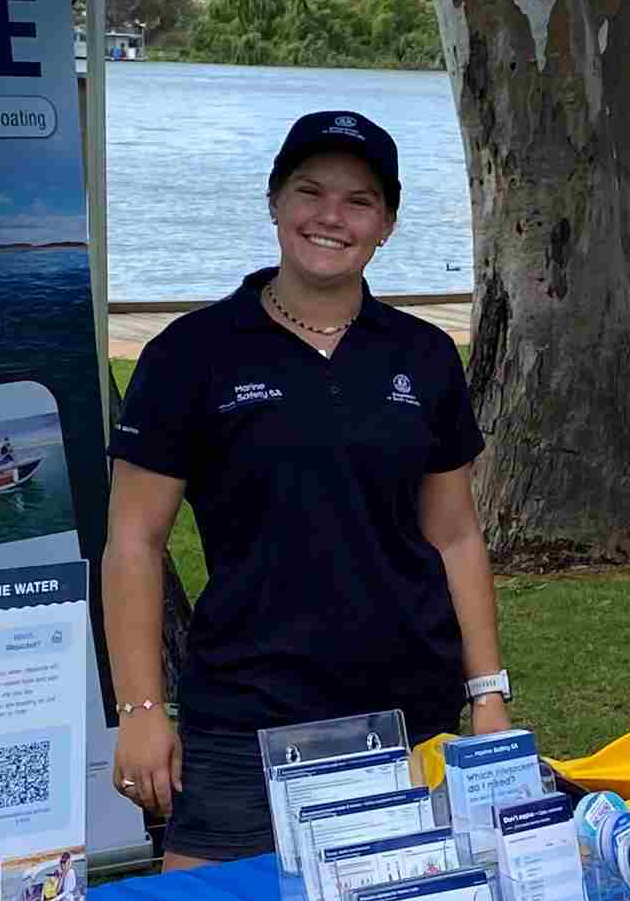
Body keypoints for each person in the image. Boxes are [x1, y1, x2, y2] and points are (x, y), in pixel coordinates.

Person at [100, 110, 511, 863]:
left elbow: (455, 535)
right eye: (309, 192)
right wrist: (142, 709)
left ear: (386, 223)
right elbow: (134, 540)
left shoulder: (422, 357)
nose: (331, 217)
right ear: (275, 202)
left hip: (408, 714)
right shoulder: (191, 354)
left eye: (358, 201)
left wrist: (488, 694)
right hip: (245, 717)